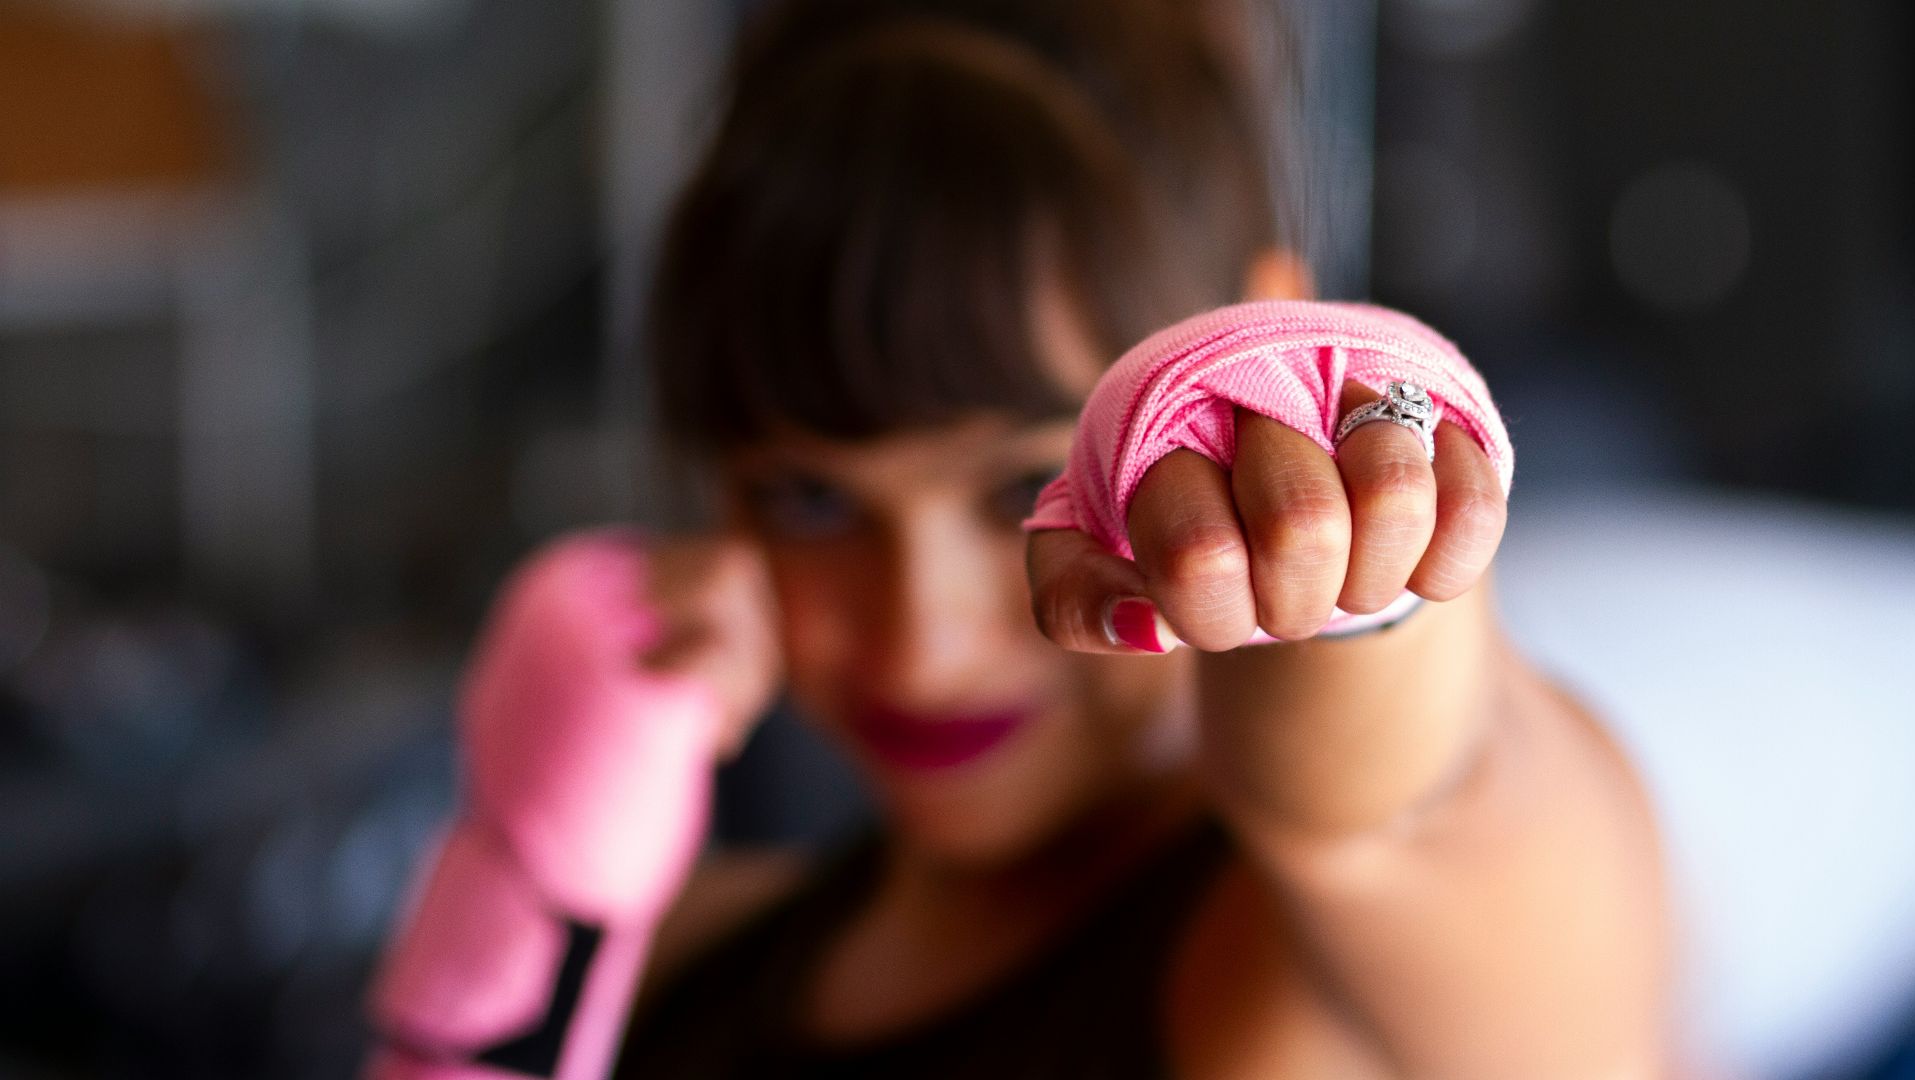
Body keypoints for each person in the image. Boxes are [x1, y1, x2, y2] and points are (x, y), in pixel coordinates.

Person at [367, 1, 1674, 1077]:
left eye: (1027, 486)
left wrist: (1347, 559)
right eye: (811, 501)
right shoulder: (682, 948)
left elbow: (1409, 812)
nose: (919, 644)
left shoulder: (1308, 991)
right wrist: (524, 882)